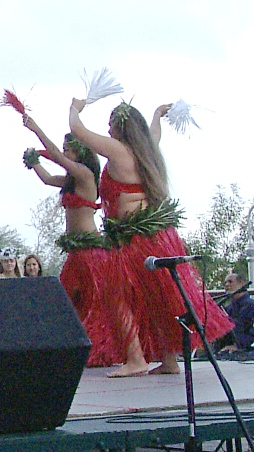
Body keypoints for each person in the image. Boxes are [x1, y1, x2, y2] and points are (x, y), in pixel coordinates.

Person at [69, 98, 232, 377]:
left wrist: (75, 108)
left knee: (113, 294)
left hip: (135, 239)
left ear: (122, 127)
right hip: (156, 236)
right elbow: (153, 135)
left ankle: (136, 359)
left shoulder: (119, 151)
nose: (108, 129)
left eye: (111, 124)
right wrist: (156, 115)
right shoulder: (144, 152)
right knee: (156, 298)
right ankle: (168, 362)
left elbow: (78, 132)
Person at [22, 114, 120, 367]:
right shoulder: (70, 181)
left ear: (80, 152)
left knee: (93, 302)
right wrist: (34, 162)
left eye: (69, 149)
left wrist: (36, 129)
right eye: (65, 149)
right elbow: (46, 178)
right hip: (76, 252)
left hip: (91, 251)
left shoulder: (86, 175)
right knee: (69, 301)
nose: (65, 153)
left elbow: (55, 155)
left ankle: (101, 348)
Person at [217, 272, 254, 353]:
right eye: (225, 283)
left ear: (242, 283)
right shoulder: (228, 308)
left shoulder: (251, 306)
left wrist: (238, 346)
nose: (226, 285)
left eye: (230, 282)